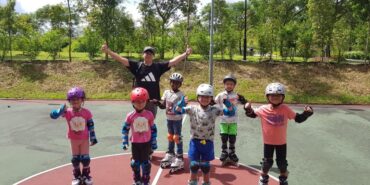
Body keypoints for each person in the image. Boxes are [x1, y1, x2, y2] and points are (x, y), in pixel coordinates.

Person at [101, 44, 191, 156]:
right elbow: (121, 59)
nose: (148, 54)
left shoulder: (157, 67)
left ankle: (148, 149)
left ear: (153, 56)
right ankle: (139, 148)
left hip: (152, 103)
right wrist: (108, 51)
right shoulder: (137, 66)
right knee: (138, 125)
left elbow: (173, 62)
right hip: (139, 102)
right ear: (143, 54)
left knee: (148, 125)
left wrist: (185, 54)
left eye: (150, 53)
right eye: (146, 52)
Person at [244, 82, 314, 185]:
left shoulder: (285, 109)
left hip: (281, 142)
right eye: (272, 95)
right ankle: (263, 178)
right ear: (268, 97)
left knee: (282, 164)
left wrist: (307, 114)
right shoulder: (263, 109)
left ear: (283, 97)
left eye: (278, 95)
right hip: (268, 142)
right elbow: (252, 114)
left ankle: (283, 179)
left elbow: (298, 118)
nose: (275, 97)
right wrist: (248, 109)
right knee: (267, 163)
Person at [176, 84, 226, 185]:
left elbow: (230, 112)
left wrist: (229, 105)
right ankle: (192, 181)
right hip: (195, 141)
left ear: (211, 98)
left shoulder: (214, 110)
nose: (204, 99)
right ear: (198, 97)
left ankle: (206, 182)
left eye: (207, 97)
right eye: (202, 96)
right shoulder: (192, 109)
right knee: (194, 165)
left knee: (205, 166)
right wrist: (180, 105)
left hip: (207, 142)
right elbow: (177, 111)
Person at [50, 87, 98, 185]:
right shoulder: (67, 112)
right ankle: (76, 177)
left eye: (78, 99)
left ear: (82, 100)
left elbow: (91, 125)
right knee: (75, 159)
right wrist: (59, 111)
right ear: (69, 101)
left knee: (85, 159)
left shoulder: (86, 112)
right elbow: (52, 116)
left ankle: (86, 176)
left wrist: (93, 137)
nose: (75, 101)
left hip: (84, 139)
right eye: (73, 99)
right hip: (73, 139)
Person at [121, 87, 157, 185]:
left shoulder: (149, 115)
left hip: (146, 143)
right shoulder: (130, 116)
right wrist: (124, 141)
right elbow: (125, 129)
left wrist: (154, 142)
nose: (140, 104)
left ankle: (145, 180)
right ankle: (137, 180)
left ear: (146, 102)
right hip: (135, 143)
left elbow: (153, 129)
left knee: (146, 163)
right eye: (137, 101)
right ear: (132, 102)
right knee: (135, 164)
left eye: (142, 101)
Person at [152, 72, 186, 173]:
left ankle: (179, 156)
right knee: (170, 136)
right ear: (170, 82)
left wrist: (182, 103)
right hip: (169, 119)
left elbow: (183, 107)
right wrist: (158, 103)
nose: (174, 85)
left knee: (177, 137)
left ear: (180, 84)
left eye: (177, 83)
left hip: (177, 120)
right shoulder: (166, 93)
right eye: (172, 82)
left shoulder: (181, 94)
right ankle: (170, 153)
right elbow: (163, 105)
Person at [214, 74, 247, 165]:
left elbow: (244, 103)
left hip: (233, 121)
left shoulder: (236, 96)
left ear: (234, 85)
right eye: (227, 84)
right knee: (224, 137)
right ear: (224, 85)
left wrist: (244, 100)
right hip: (223, 120)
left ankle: (232, 152)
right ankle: (224, 151)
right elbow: (214, 102)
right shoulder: (220, 95)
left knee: (232, 137)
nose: (229, 86)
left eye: (231, 84)